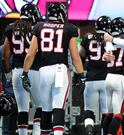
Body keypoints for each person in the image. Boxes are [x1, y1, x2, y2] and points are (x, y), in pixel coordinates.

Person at [21, 3, 84, 135]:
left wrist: (25, 73)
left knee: (46, 108)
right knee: (58, 107)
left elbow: (31, 54)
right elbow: (75, 56)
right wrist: (80, 74)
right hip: (60, 70)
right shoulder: (69, 28)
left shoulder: (39, 27)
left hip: (43, 71)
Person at [2, 3, 42, 135]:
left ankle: (23, 133)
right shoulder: (38, 28)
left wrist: (8, 76)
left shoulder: (11, 28)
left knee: (22, 109)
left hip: (17, 71)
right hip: (35, 70)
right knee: (41, 106)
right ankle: (36, 132)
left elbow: (5, 56)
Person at [79, 15, 111, 135]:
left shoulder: (87, 37)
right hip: (106, 79)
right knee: (106, 112)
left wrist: (80, 74)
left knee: (89, 110)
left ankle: (89, 131)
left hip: (91, 78)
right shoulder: (110, 39)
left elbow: (80, 55)